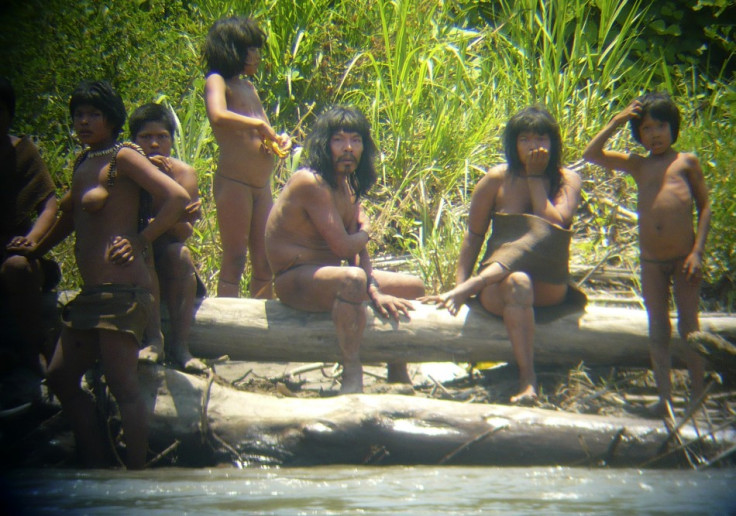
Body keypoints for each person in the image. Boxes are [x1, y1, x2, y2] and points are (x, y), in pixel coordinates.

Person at [34, 80, 189, 469]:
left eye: (93, 115)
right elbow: (70, 217)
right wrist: (33, 249)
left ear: (111, 119)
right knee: (59, 377)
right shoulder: (85, 161)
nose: (83, 122)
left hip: (122, 291)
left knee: (124, 387)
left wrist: (142, 239)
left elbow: (177, 198)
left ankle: (135, 478)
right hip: (91, 297)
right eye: (78, 115)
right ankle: (97, 463)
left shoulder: (124, 156)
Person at [421, 106, 582, 404]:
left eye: (541, 138)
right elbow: (474, 236)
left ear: (554, 142)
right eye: (525, 139)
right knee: (519, 281)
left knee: (541, 236)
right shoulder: (497, 179)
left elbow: (555, 224)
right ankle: (527, 379)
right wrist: (460, 285)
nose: (534, 146)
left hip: (549, 285)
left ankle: (478, 285)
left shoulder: (567, 179)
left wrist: (535, 179)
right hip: (500, 286)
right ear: (513, 144)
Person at [265, 106, 425, 393]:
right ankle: (352, 372)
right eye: (338, 140)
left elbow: (356, 250)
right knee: (352, 280)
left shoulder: (347, 187)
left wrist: (374, 290)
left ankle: (397, 368)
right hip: (294, 280)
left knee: (413, 286)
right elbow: (344, 244)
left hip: (331, 276)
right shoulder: (310, 182)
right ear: (324, 145)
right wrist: (368, 231)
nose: (348, 148)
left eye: (356, 140)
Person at [583, 92, 710, 414]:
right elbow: (591, 153)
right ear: (638, 135)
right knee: (658, 328)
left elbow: (705, 207)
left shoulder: (686, 162)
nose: (653, 134)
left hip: (684, 259)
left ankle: (697, 396)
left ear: (673, 127)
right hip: (652, 262)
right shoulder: (637, 165)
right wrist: (619, 119)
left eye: (660, 126)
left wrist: (698, 252)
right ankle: (665, 399)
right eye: (646, 129)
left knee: (689, 328)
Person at [203, 16, 290, 298]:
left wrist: (278, 139)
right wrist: (257, 125)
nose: (256, 55)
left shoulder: (248, 88)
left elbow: (265, 131)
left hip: (261, 186)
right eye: (251, 48)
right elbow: (217, 114)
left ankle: (258, 329)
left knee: (264, 257)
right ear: (232, 50)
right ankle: (227, 324)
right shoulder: (217, 81)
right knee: (236, 257)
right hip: (235, 183)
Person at [129, 102, 208, 373]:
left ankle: (181, 346)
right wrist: (170, 217)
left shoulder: (184, 173)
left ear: (172, 141)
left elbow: (185, 232)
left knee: (181, 255)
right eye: (145, 137)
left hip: (168, 257)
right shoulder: (125, 171)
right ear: (133, 142)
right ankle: (153, 340)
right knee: (144, 249)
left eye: (162, 137)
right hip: (131, 257)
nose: (154, 144)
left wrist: (156, 223)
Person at [0, 76, 59, 381]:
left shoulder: (22, 152)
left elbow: (50, 204)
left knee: (17, 268)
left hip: (16, 252)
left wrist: (32, 240)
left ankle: (37, 348)